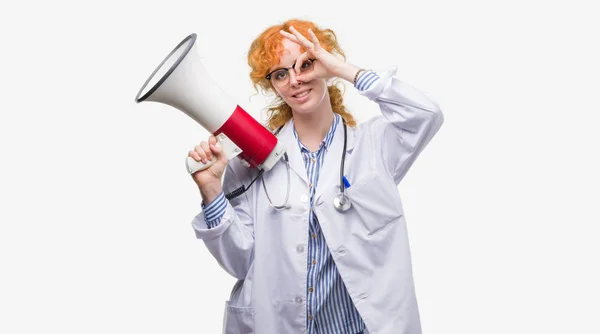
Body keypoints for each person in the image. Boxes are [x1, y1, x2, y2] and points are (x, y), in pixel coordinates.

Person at [188, 18, 444, 334]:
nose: (295, 80)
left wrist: (343, 70)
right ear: (272, 84)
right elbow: (240, 263)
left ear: (324, 63)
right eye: (281, 73)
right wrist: (211, 189)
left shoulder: (374, 145)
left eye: (306, 64)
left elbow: (427, 115)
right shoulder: (250, 164)